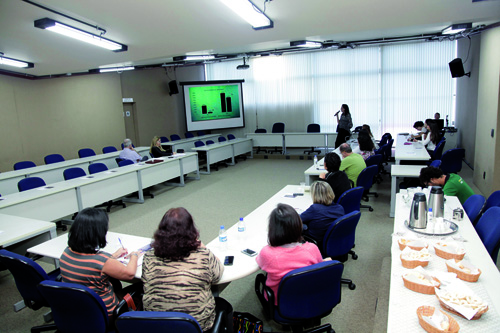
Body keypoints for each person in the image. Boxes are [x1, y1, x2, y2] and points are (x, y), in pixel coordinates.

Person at [142, 207, 233, 332]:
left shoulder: (149, 257)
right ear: (191, 230)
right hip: (197, 325)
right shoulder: (202, 255)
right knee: (223, 304)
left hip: (157, 325)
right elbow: (218, 274)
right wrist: (202, 246)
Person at [60, 208, 143, 318]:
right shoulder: (102, 261)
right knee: (141, 286)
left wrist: (113, 256)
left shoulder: (66, 252)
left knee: (114, 282)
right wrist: (134, 256)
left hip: (78, 307)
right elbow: (129, 273)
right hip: (105, 314)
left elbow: (93, 264)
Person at [256, 203, 323, 305]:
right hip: (308, 295)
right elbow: (320, 266)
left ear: (272, 229)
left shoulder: (267, 253)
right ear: (298, 225)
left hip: (280, 302)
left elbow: (260, 263)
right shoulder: (312, 249)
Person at [300, 181, 345, 249]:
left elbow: (297, 219)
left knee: (292, 224)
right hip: (332, 238)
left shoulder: (314, 209)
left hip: (317, 239)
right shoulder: (339, 208)